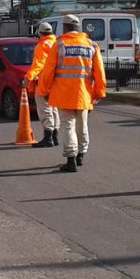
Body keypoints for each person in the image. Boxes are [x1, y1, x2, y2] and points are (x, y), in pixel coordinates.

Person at [39, 14, 106, 172]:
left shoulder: (59, 44)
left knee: (68, 126)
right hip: (84, 94)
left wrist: (45, 90)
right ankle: (81, 155)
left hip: (63, 94)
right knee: (82, 125)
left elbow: (48, 71)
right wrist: (98, 93)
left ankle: (71, 159)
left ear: (65, 27)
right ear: (78, 27)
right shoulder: (92, 45)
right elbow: (100, 73)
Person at [23, 22, 60, 148]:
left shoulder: (42, 45)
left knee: (45, 109)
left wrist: (29, 76)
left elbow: (39, 64)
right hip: (56, 81)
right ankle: (55, 136)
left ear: (40, 33)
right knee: (54, 109)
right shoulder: (56, 43)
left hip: (44, 81)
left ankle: (48, 137)